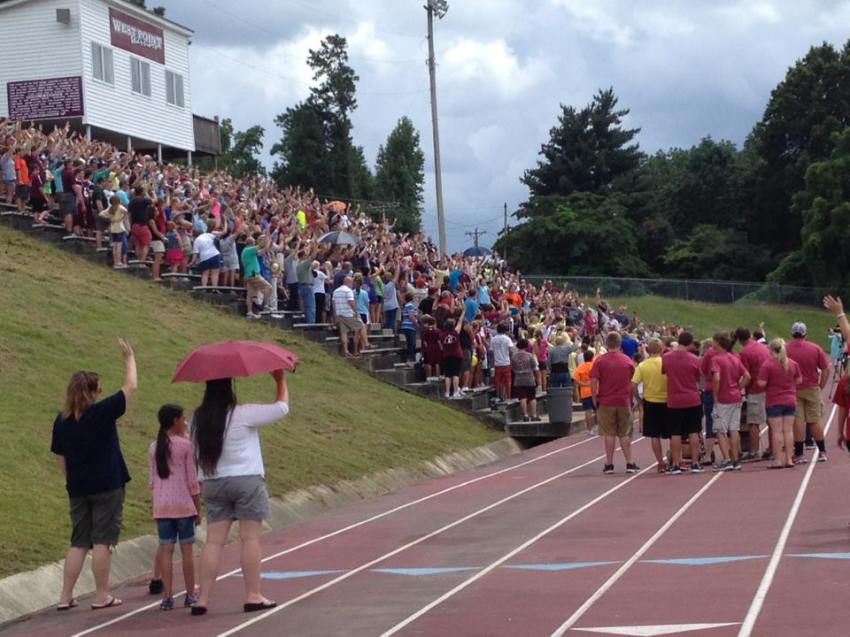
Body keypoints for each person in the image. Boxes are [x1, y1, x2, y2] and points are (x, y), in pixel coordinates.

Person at [190, 370, 289, 616]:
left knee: (213, 542)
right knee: (250, 539)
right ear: (229, 388)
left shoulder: (197, 419)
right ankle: (253, 595)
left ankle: (202, 598)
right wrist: (280, 381)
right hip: (246, 480)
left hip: (213, 481)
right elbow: (281, 408)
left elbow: (195, 453)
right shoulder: (242, 413)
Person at [51, 338, 137, 611]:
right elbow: (130, 386)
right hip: (107, 484)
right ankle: (101, 594)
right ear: (92, 392)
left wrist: (70, 482)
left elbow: (61, 457)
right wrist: (129, 359)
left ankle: (65, 595)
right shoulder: (101, 412)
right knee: (103, 540)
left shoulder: (61, 420)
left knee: (78, 541)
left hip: (78, 487)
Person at [148, 404, 200, 610]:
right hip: (184, 506)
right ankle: (190, 595)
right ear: (176, 421)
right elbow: (192, 480)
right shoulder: (186, 446)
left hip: (162, 506)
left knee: (166, 550)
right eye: (183, 418)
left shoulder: (153, 447)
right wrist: (198, 509)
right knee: (187, 551)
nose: (185, 421)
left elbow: (152, 481)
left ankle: (167, 597)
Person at [591, 332, 640, 475]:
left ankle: (609, 464)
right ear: (620, 344)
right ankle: (629, 462)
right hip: (624, 400)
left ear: (607, 344)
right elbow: (633, 382)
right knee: (624, 433)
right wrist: (634, 398)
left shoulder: (600, 361)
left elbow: (593, 381)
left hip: (606, 400)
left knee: (609, 433)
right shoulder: (628, 361)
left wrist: (595, 399)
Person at [786, 321, 830, 463]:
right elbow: (826, 369)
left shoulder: (786, 348)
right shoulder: (815, 348)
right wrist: (821, 386)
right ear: (805, 333)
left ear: (792, 333)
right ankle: (822, 451)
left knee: (798, 421)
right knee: (814, 420)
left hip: (793, 388)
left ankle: (799, 454)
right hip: (812, 387)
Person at [662, 332, 704, 474]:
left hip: (674, 400)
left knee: (675, 433)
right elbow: (698, 377)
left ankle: (675, 464)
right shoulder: (694, 359)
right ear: (690, 344)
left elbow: (665, 372)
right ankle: (696, 463)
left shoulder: (666, 358)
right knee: (693, 431)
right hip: (692, 398)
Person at [757, 339, 802, 469]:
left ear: (771, 350)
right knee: (788, 431)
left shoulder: (767, 364)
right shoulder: (792, 363)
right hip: (790, 400)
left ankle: (778, 460)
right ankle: (789, 459)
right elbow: (799, 380)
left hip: (774, 400)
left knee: (777, 431)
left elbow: (761, 383)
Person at [710, 332, 750, 471]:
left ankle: (727, 459)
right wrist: (738, 388)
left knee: (720, 430)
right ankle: (735, 459)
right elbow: (747, 376)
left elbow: (716, 378)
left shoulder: (716, 359)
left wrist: (715, 394)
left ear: (718, 343)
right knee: (734, 429)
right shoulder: (734, 358)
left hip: (723, 398)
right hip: (736, 397)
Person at [632, 338, 669, 473]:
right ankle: (677, 460)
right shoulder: (666, 362)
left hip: (650, 402)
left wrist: (638, 399)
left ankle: (660, 462)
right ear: (662, 350)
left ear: (647, 350)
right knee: (674, 433)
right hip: (667, 401)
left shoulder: (642, 366)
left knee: (654, 435)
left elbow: (633, 384)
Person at [736, 327, 771, 461]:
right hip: (769, 388)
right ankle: (772, 449)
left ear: (739, 339)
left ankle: (753, 451)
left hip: (755, 390)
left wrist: (738, 388)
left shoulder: (745, 352)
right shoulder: (763, 347)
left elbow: (746, 375)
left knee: (754, 423)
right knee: (771, 421)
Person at [332, 275, 368, 358]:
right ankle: (366, 344)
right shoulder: (348, 291)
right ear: (348, 282)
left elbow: (333, 304)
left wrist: (335, 315)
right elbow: (351, 302)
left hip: (339, 314)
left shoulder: (336, 291)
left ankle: (346, 351)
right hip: (347, 314)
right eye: (351, 283)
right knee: (361, 326)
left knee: (344, 333)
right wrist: (356, 312)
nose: (352, 285)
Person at [242, 235, 272, 319]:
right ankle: (265, 306)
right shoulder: (249, 250)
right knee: (268, 287)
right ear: (251, 243)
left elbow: (262, 251)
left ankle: (249, 313)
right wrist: (267, 238)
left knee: (250, 295)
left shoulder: (247, 251)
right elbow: (261, 246)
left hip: (248, 274)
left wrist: (267, 242)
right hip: (254, 274)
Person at [511, 337, 540, 422]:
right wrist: (538, 379)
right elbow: (535, 368)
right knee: (532, 397)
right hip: (529, 378)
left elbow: (512, 368)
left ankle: (525, 414)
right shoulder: (530, 356)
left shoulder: (514, 357)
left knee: (522, 397)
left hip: (518, 379)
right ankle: (534, 415)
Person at [572, 349, 596, 435]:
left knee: (588, 411)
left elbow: (575, 381)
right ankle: (603, 428)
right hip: (596, 391)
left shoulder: (580, 367)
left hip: (585, 392)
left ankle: (590, 430)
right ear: (592, 357)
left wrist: (584, 384)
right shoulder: (595, 366)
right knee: (599, 410)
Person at [441, 316, 465, 399]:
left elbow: (441, 346)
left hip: (447, 355)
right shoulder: (455, 332)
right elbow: (460, 322)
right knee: (455, 374)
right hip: (456, 355)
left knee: (447, 375)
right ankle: (455, 392)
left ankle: (447, 392)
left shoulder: (442, 335)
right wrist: (463, 313)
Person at [490, 323, 513, 402]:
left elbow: (492, 351)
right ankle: (508, 396)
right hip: (506, 362)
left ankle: (498, 396)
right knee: (507, 381)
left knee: (497, 381)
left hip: (497, 363)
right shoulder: (507, 339)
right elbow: (510, 350)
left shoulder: (493, 339)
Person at [420, 315, 442, 380]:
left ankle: (429, 377)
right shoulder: (437, 331)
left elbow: (424, 341)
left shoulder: (425, 330)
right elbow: (439, 340)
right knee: (437, 362)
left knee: (429, 362)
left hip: (429, 347)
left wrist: (427, 348)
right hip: (436, 348)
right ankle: (437, 376)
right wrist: (441, 348)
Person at [400, 292, 419, 364]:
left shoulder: (406, 306)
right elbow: (411, 316)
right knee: (411, 343)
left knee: (409, 343)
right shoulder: (410, 306)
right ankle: (410, 359)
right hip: (410, 327)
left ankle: (409, 358)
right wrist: (417, 324)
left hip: (405, 326)